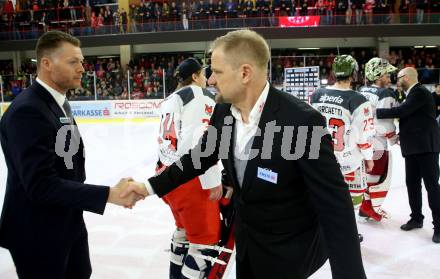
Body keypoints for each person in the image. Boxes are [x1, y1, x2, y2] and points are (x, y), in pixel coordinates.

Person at [124, 29, 367, 279]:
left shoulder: (301, 122)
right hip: (247, 247)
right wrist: (147, 187)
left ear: (244, 73)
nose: (210, 80)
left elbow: (336, 207)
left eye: (217, 72)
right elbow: (199, 157)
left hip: (288, 256)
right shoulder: (223, 112)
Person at [0, 31, 142, 279]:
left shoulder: (58, 102)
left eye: (82, 61)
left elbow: (67, 165)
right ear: (46, 64)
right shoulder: (28, 111)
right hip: (37, 233)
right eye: (73, 62)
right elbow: (40, 185)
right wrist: (109, 194)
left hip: (67, 220)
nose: (82, 68)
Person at [156, 57, 226, 279]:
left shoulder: (171, 98)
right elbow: (196, 141)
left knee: (184, 233)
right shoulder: (200, 96)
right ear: (195, 77)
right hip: (190, 180)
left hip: (167, 174)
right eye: (204, 75)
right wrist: (212, 179)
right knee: (204, 245)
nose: (207, 79)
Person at [310, 55, 374, 241]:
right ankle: (346, 232)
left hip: (322, 157)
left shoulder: (317, 94)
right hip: (348, 159)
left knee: (323, 196)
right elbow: (364, 135)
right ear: (353, 73)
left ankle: (322, 232)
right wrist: (369, 157)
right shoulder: (358, 99)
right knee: (350, 199)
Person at [376, 67, 440, 244]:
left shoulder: (419, 92)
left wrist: (374, 111)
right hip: (413, 147)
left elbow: (402, 111)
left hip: (426, 148)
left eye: (399, 77)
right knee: (412, 184)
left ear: (408, 77)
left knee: (432, 187)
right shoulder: (412, 93)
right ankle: (417, 218)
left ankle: (439, 226)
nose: (397, 80)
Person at [358, 57, 398, 221]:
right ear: (379, 75)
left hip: (361, 141)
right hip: (377, 142)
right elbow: (386, 123)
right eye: (387, 75)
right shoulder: (385, 93)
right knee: (376, 175)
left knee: (365, 175)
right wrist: (395, 138)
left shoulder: (361, 90)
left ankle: (364, 207)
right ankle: (367, 207)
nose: (389, 78)